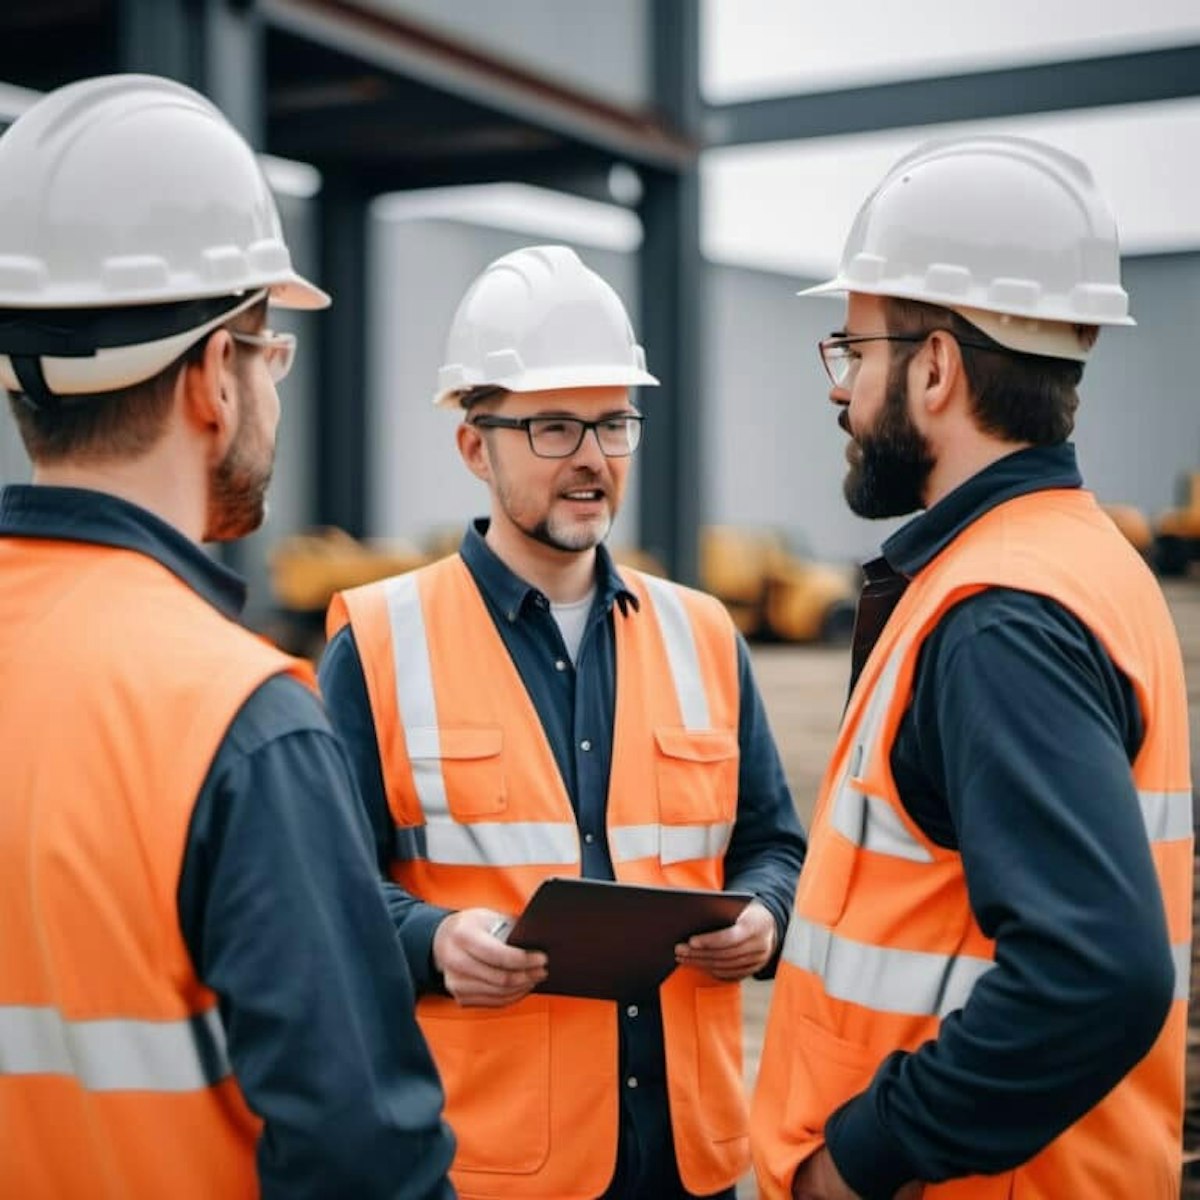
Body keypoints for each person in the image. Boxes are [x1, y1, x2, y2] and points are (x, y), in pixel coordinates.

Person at [0, 74, 455, 1200]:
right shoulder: (240, 722)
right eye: (272, 351)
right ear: (214, 376)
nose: (273, 386)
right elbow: (363, 1162)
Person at [750, 135, 1193, 1200]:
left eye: (853, 352)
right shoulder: (1082, 556)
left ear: (937, 366)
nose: (841, 390)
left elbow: (1097, 975)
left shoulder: (998, 614)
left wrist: (858, 1164)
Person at [319, 243, 807, 1199]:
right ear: (474, 445)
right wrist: (430, 939)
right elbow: (323, 893)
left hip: (689, 1160)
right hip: (491, 1166)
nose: (591, 458)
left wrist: (765, 916)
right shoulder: (379, 640)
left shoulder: (705, 633)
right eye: (552, 427)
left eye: (613, 424)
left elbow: (772, 842)